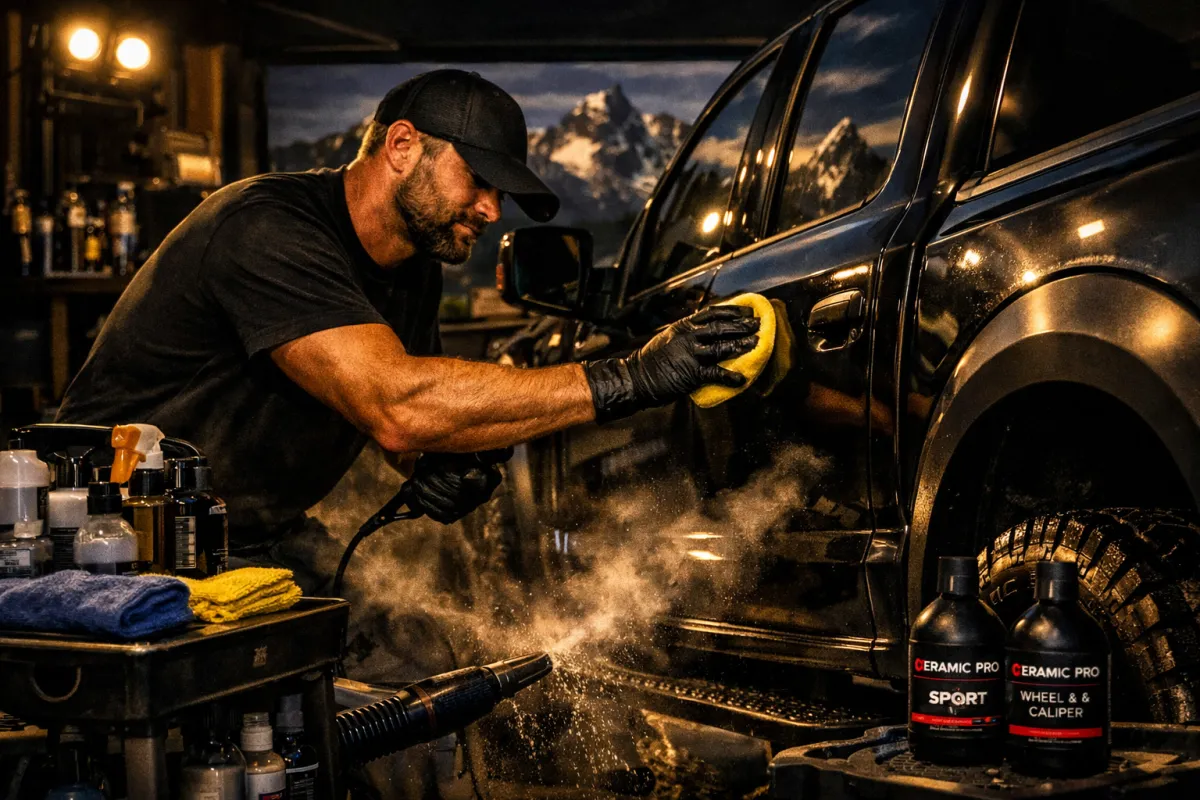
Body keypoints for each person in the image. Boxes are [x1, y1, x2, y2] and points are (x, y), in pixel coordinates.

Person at [56, 69, 759, 592]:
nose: (491, 210)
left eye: (500, 193)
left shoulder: (413, 266)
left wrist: (438, 467)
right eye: (478, 180)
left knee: (423, 660)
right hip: (117, 541)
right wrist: (631, 377)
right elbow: (397, 406)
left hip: (249, 535)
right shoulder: (266, 227)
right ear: (401, 145)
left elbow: (410, 426)